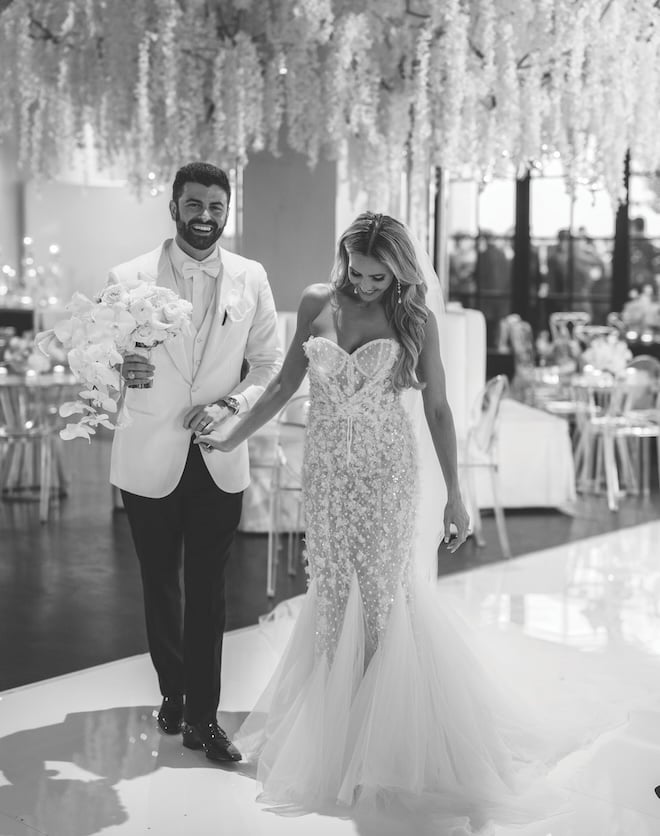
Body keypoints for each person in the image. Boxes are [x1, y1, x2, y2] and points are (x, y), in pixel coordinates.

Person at [197, 213, 567, 827]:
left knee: (381, 598)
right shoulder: (318, 299)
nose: (365, 285)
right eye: (357, 271)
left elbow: (441, 408)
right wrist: (235, 436)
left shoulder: (414, 318)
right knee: (333, 592)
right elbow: (285, 383)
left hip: (386, 471)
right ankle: (335, 737)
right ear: (343, 258)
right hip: (327, 473)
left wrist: (456, 494)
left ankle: (384, 744)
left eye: (378, 275)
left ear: (399, 270)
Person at [109, 162, 281, 762]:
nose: (205, 216)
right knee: (160, 584)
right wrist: (119, 372)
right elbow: (100, 365)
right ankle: (174, 692)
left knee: (209, 589)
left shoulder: (250, 276)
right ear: (174, 207)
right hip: (148, 455)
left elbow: (269, 365)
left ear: (226, 209)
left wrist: (230, 404)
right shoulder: (128, 277)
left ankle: (204, 719)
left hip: (219, 451)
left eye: (216, 206)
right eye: (194, 205)